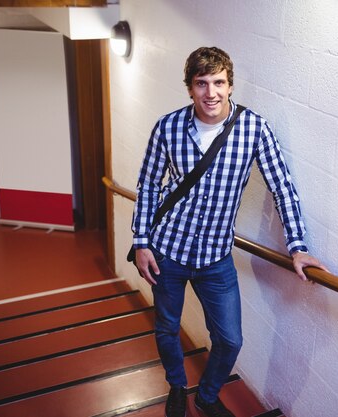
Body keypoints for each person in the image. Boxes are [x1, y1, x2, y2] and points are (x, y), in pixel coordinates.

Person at [132, 46, 326, 417]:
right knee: (166, 330)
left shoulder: (254, 129)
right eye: (201, 83)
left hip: (215, 258)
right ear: (190, 88)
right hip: (166, 252)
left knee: (230, 339)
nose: (211, 93)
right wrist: (142, 242)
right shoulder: (168, 127)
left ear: (230, 85)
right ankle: (176, 387)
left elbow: (282, 188)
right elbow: (148, 187)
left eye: (218, 82)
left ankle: (206, 396)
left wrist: (297, 247)